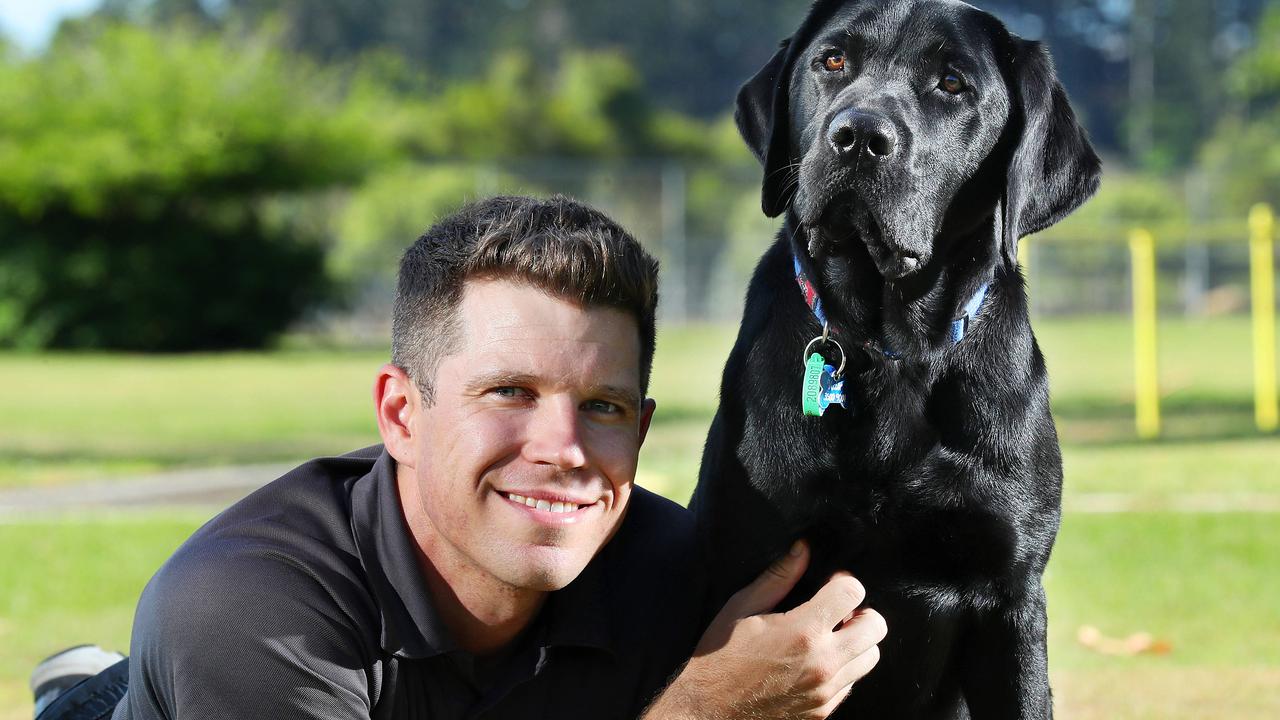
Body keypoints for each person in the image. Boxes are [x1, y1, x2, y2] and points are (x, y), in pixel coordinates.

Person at [33, 195, 886, 720]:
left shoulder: (674, 572)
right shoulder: (248, 612)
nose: (563, 450)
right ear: (402, 415)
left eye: (603, 407)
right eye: (509, 392)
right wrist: (705, 713)